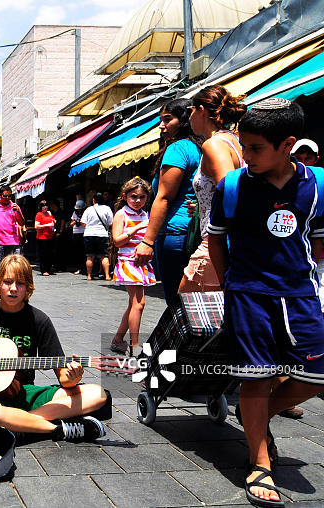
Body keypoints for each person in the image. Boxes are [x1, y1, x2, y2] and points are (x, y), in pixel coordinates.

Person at [208, 98, 324, 507]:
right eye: (244, 147)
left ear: (287, 144)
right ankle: (260, 461)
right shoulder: (234, 186)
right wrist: (230, 286)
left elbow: (319, 239)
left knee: (317, 373)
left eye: (256, 148)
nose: (247, 156)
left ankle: (259, 414)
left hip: (301, 295)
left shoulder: (319, 184)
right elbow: (216, 237)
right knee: (254, 375)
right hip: (249, 295)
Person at [0, 254, 108, 441]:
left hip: (23, 393)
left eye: (20, 284)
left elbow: (63, 376)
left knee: (97, 394)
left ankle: (21, 423)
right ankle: (55, 429)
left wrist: (73, 377)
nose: (13, 289)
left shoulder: (39, 320)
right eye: (7, 282)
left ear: (29, 287)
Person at [134, 98, 202, 303]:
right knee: (193, 300)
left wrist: (147, 241)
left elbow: (164, 197)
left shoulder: (178, 149)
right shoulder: (201, 148)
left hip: (174, 233)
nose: (162, 126)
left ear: (183, 120)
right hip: (194, 232)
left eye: (167, 119)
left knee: (177, 302)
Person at [179, 85, 246, 293]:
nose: (188, 117)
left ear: (201, 110)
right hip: (222, 240)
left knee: (184, 311)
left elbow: (229, 191)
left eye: (190, 110)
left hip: (216, 242)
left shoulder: (214, 144)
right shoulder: (233, 139)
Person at [110, 178, 155, 354]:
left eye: (142, 197)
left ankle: (118, 339)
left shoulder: (145, 214)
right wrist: (136, 229)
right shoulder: (122, 214)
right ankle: (134, 345)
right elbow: (117, 241)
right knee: (139, 303)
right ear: (125, 196)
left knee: (133, 304)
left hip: (142, 263)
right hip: (128, 262)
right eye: (133, 196)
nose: (137, 200)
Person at [80, 193, 113, 281]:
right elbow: (110, 222)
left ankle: (89, 276)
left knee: (90, 256)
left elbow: (83, 222)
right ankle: (107, 276)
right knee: (104, 256)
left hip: (89, 234)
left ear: (94, 200)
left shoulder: (89, 209)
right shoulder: (107, 208)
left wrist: (90, 225)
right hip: (102, 234)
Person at [33, 200, 56, 276]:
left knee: (50, 253)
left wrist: (53, 223)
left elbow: (52, 221)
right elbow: (36, 226)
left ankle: (49, 269)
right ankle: (44, 270)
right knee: (43, 254)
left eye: (46, 206)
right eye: (43, 206)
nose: (45, 207)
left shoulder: (49, 213)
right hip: (42, 237)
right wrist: (47, 225)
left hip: (50, 236)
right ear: (41, 207)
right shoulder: (39, 214)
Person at [70, 200, 86, 275]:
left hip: (83, 233)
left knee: (84, 251)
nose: (79, 210)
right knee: (77, 251)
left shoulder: (85, 213)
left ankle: (84, 268)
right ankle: (78, 268)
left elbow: (86, 223)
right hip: (76, 233)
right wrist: (76, 221)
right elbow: (71, 224)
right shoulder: (74, 213)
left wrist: (81, 222)